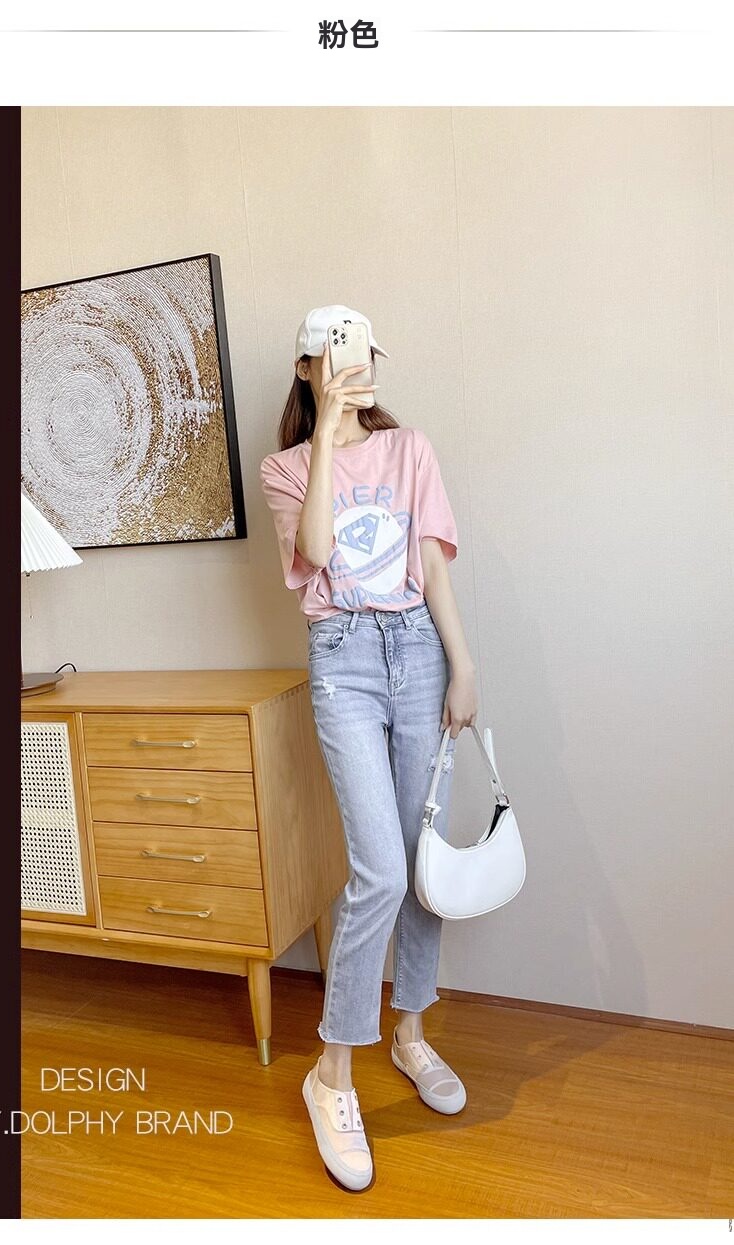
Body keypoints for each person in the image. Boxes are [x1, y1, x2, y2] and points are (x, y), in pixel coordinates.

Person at [259, 305, 478, 1192]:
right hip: (343, 659)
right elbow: (315, 552)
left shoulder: (410, 448)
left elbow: (433, 567)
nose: (356, 365)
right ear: (309, 367)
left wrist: (463, 664)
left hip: (418, 651)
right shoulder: (285, 467)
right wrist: (325, 435)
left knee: (420, 862)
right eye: (336, 354)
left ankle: (411, 1034)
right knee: (379, 868)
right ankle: (331, 1073)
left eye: (364, 351)